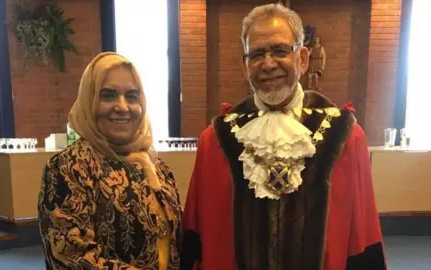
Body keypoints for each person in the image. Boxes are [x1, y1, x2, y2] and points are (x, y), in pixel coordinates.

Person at [180, 3, 386, 270]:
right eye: (256, 54)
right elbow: (199, 238)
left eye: (279, 50)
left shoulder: (345, 138)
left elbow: (362, 235)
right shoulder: (215, 141)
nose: (268, 64)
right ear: (245, 65)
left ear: (302, 58)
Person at [38, 52, 182, 270]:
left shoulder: (158, 168)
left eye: (132, 96)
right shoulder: (69, 167)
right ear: (89, 99)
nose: (122, 107)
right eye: (108, 95)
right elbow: (72, 258)